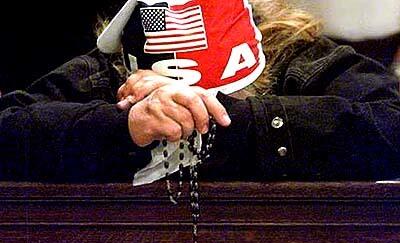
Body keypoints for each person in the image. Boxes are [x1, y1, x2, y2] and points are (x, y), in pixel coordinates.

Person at [0, 0, 399, 183]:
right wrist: (128, 124)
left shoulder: (297, 55)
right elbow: (8, 129)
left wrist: (229, 119)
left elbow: (392, 125)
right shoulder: (110, 68)